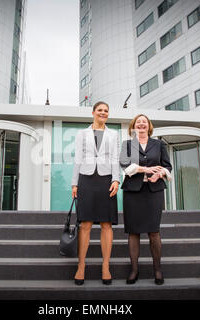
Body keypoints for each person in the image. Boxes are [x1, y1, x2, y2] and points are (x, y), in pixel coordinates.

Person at [71, 101, 120, 286]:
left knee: (107, 224)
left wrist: (116, 179)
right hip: (86, 178)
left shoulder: (113, 134)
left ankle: (105, 267)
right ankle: (81, 266)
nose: (103, 113)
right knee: (85, 224)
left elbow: (115, 158)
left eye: (106, 111)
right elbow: (77, 158)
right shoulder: (82, 134)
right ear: (93, 112)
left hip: (106, 179)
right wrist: (74, 183)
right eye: (100, 110)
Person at [119, 114, 172, 285]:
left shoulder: (159, 144)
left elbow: (167, 166)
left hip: (153, 192)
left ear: (149, 126)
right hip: (132, 192)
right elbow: (124, 166)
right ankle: (134, 270)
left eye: (144, 122)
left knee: (154, 231)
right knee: (133, 231)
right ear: (133, 126)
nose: (141, 123)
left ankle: (158, 269)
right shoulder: (128, 145)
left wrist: (159, 174)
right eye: (138, 122)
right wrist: (145, 169)